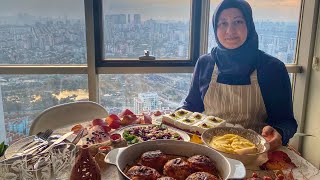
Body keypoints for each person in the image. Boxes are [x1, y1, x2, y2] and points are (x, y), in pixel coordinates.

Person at [181, 0, 297, 151]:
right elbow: (191, 106)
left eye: (238, 22)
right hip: (209, 150)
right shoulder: (205, 63)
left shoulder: (272, 68)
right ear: (215, 28)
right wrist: (166, 119)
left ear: (249, 25)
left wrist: (280, 132)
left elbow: (286, 121)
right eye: (223, 23)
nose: (230, 30)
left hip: (256, 153)